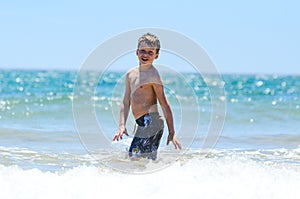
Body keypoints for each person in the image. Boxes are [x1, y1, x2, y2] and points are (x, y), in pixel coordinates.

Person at [112, 33, 182, 160]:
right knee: (146, 160)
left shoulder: (153, 75)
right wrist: (122, 125)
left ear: (156, 55)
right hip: (142, 123)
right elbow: (126, 102)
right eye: (143, 51)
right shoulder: (130, 74)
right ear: (136, 52)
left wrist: (172, 132)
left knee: (133, 157)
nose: (146, 55)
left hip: (152, 122)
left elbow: (164, 104)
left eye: (150, 52)